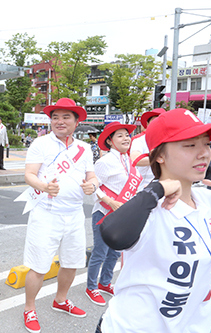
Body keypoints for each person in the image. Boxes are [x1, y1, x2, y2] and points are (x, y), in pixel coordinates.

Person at [97, 109, 211, 333]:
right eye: (190, 145)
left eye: (207, 143)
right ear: (159, 155)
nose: (204, 153)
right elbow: (113, 233)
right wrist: (157, 189)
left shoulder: (209, 201)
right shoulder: (147, 209)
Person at [21, 98, 99, 333]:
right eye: (55, 117)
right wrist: (44, 186)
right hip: (46, 213)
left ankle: (61, 300)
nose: (59, 121)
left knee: (72, 262)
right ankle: (29, 308)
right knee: (38, 266)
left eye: (66, 117)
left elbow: (92, 176)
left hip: (75, 213)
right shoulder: (41, 143)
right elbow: (29, 174)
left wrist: (92, 186)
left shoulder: (84, 148)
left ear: (76, 122)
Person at [85, 122, 140, 307]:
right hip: (104, 213)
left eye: (127, 135)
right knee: (100, 253)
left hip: (123, 215)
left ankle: (105, 282)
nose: (126, 138)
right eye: (120, 136)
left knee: (115, 253)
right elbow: (93, 187)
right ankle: (91, 287)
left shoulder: (129, 161)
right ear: (110, 141)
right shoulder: (104, 162)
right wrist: (109, 201)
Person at [130, 108, 166, 191]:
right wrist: (164, 159)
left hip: (166, 186)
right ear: (148, 124)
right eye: (154, 122)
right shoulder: (139, 140)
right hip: (142, 187)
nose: (157, 125)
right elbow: (135, 160)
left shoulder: (172, 141)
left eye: (161, 122)